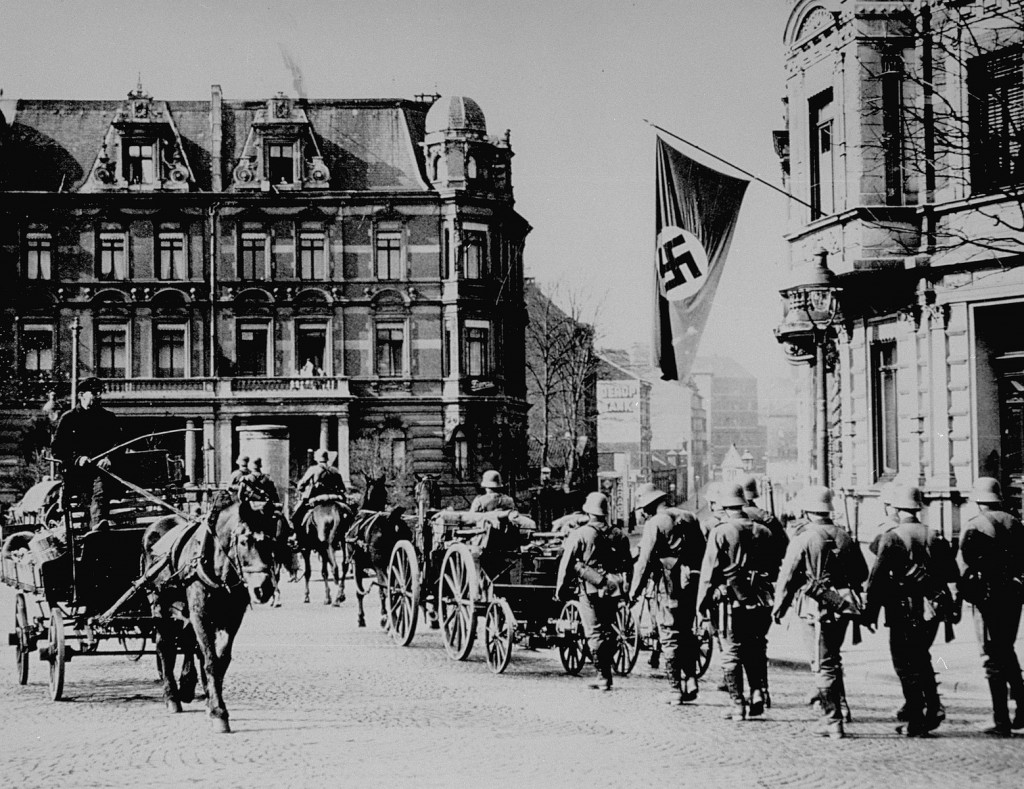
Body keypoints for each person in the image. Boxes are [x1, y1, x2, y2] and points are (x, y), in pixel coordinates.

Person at [863, 484, 959, 737]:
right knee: (922, 657)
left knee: (905, 664)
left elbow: (877, 579)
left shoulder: (892, 537)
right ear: (919, 508)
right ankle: (934, 707)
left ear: (895, 507)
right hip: (932, 609)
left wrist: (869, 613)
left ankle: (917, 719)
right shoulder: (934, 534)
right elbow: (952, 574)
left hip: (902, 610)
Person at [772, 486, 868, 739]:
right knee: (833, 658)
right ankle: (841, 707)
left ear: (806, 509)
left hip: (816, 608)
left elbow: (788, 575)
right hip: (843, 607)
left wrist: (779, 607)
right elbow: (861, 574)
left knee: (821, 664)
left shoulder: (803, 538)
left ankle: (832, 720)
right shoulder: (844, 535)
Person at [696, 482, 777, 721]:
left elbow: (709, 572)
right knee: (756, 647)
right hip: (762, 599)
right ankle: (757, 692)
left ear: (723, 505)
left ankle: (737, 704)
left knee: (731, 652)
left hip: (731, 603)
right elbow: (773, 567)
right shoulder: (764, 531)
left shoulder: (721, 532)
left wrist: (702, 607)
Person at [629, 483, 707, 704]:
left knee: (669, 636)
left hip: (667, 586)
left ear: (648, 506)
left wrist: (634, 591)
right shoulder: (690, 517)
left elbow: (644, 562)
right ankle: (691, 679)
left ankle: (675, 690)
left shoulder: (655, 523)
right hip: (691, 584)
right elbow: (702, 552)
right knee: (687, 631)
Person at [959, 477, 1024, 736]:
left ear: (978, 501)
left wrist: (964, 596)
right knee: (1006, 650)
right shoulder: (1016, 523)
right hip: (1013, 596)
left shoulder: (974, 526)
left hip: (987, 600)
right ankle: (1022, 707)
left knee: (991, 658)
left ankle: (1001, 720)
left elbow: (963, 566)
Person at [556, 491, 633, 692]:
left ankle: (603, 676)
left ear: (588, 512)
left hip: (590, 588)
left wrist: (561, 590)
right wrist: (627, 589)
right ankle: (606, 672)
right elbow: (627, 564)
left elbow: (567, 564)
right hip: (613, 587)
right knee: (609, 628)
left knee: (594, 631)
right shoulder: (619, 534)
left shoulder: (580, 534)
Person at [51, 377, 122, 531]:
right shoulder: (69, 419)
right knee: (86, 502)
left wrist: (108, 458)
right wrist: (77, 459)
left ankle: (95, 534)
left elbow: (118, 444)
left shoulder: (108, 418)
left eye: (100, 393)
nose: (98, 397)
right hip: (76, 475)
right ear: (81, 395)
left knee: (100, 492)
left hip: (101, 472)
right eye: (94, 393)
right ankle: (91, 532)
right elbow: (57, 448)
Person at [292, 448, 346, 532]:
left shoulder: (313, 469)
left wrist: (302, 488)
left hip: (317, 498)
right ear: (327, 458)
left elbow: (301, 485)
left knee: (296, 517)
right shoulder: (335, 471)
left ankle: (297, 536)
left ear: (316, 458)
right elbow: (342, 488)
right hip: (335, 498)